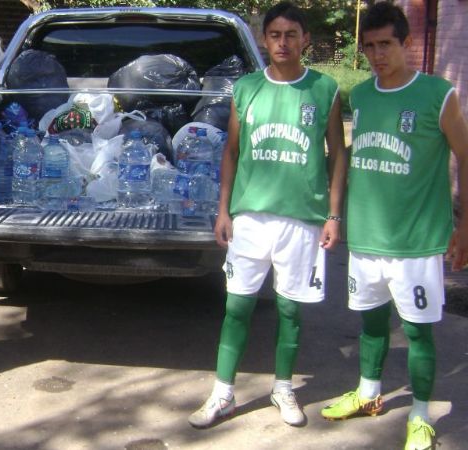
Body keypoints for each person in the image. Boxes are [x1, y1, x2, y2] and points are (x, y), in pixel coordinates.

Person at [188, 1, 347, 428]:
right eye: (274, 35)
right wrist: (223, 209)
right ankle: (223, 393)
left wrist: (333, 215)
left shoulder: (325, 89)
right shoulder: (246, 88)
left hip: (303, 218)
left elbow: (337, 155)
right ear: (264, 39)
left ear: (305, 39)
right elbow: (232, 152)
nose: (282, 42)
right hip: (251, 218)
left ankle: (283, 387)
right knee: (236, 307)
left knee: (290, 310)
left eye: (291, 34)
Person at [320, 3, 468, 449]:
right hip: (366, 238)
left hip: (417, 242)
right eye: (369, 47)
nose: (377, 54)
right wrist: (337, 215)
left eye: (386, 44)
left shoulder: (438, 94)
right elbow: (348, 160)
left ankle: (421, 416)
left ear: (407, 43)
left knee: (419, 330)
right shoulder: (361, 96)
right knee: (371, 324)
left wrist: (465, 228)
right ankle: (368, 394)